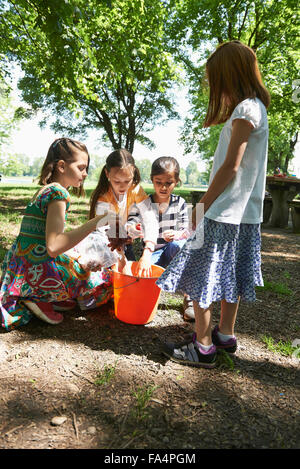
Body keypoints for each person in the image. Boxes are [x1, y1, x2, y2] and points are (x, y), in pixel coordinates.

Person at [156, 40, 270, 368]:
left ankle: (203, 347)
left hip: (224, 211)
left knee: (198, 276)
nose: (213, 87)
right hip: (245, 214)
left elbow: (231, 167)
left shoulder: (246, 109)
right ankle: (226, 334)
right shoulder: (255, 108)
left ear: (228, 76)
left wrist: (202, 205)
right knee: (230, 276)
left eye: (215, 80)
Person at [0, 138, 113, 331]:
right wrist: (94, 223)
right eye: (81, 167)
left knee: (77, 258)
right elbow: (53, 247)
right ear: (61, 166)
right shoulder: (59, 194)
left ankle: (45, 295)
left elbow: (46, 241)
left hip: (20, 267)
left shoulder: (45, 190)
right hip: (36, 271)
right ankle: (38, 296)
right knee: (102, 279)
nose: (85, 174)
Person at [126, 156, 193, 319]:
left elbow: (188, 229)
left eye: (168, 183)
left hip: (172, 252)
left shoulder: (180, 203)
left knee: (180, 245)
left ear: (176, 181)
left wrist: (177, 234)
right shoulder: (144, 202)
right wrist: (133, 228)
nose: (163, 187)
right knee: (139, 279)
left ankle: (189, 297)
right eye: (158, 182)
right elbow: (132, 221)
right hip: (152, 255)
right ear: (152, 180)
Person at [89, 148, 157, 261]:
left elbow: (150, 218)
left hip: (123, 241)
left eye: (127, 181)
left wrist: (148, 250)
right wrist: (121, 258)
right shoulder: (104, 196)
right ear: (107, 173)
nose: (122, 187)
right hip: (105, 244)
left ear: (133, 172)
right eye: (117, 181)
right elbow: (107, 229)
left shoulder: (136, 190)